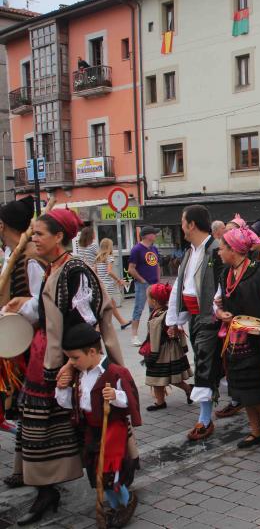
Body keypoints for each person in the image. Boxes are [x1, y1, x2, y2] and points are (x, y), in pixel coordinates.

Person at [11, 208, 125, 526]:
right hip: (46, 360)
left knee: (91, 431)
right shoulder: (54, 268)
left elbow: (84, 326)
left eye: (39, 234)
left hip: (68, 363)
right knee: (39, 429)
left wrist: (71, 367)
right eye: (32, 234)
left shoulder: (75, 271)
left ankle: (116, 493)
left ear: (59, 237)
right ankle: (46, 491)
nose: (33, 239)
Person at [55, 323, 141, 527]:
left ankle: (126, 501)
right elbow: (70, 404)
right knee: (97, 475)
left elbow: (131, 401)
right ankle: (113, 505)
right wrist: (62, 389)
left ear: (92, 352)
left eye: (75, 358)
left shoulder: (116, 372)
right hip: (91, 431)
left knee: (110, 474)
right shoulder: (79, 374)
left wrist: (115, 396)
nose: (72, 363)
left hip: (112, 430)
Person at [214, 227, 260, 449]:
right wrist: (221, 314)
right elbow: (217, 302)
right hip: (234, 340)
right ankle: (255, 430)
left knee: (255, 388)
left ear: (234, 250)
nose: (219, 252)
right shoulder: (225, 274)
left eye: (222, 248)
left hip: (256, 340)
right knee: (241, 388)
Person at [166, 205, 223, 441]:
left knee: (204, 365)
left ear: (191, 224)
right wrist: (174, 319)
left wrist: (217, 311)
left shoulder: (216, 250)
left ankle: (205, 419)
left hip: (211, 316)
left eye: (182, 222)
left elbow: (223, 285)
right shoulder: (189, 252)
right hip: (195, 317)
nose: (181, 227)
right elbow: (180, 286)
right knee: (202, 360)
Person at [0, 197, 43, 438]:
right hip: (17, 342)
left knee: (30, 403)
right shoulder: (12, 254)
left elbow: (41, 302)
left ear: (3, 225)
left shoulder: (29, 258)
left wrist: (16, 309)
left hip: (30, 343)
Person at [141, 283, 193, 411]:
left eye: (148, 298)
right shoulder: (156, 312)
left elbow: (175, 330)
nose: (147, 300)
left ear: (153, 301)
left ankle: (189, 389)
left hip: (166, 351)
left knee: (174, 378)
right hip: (158, 349)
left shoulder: (166, 315)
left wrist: (173, 332)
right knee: (156, 378)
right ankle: (160, 401)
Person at [128, 226, 161, 346]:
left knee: (154, 310)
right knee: (138, 309)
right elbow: (131, 269)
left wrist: (158, 280)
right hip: (142, 284)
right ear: (147, 235)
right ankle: (134, 336)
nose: (156, 235)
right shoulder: (137, 249)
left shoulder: (154, 249)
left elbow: (157, 265)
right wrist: (142, 280)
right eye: (154, 233)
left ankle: (152, 334)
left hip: (153, 283)